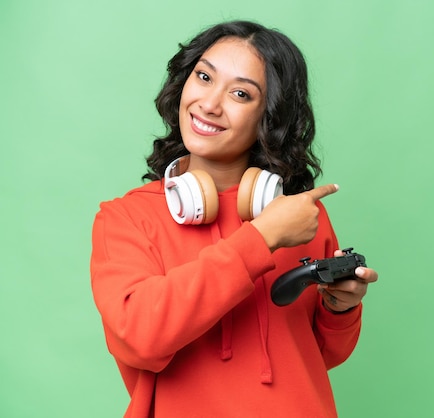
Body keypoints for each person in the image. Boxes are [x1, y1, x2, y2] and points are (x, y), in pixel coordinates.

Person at [90, 20, 378, 418]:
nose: (210, 103)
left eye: (240, 93)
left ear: (270, 116)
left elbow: (322, 355)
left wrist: (341, 309)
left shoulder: (300, 216)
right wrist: (259, 240)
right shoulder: (126, 218)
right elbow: (140, 339)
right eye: (204, 77)